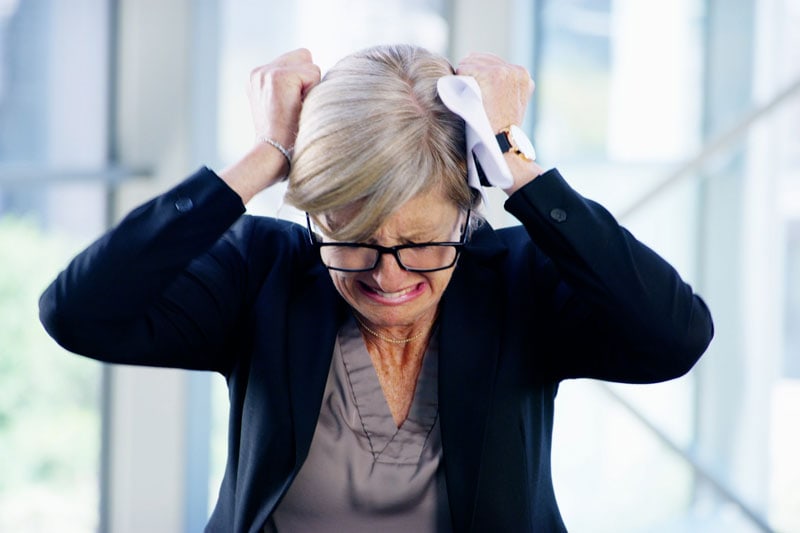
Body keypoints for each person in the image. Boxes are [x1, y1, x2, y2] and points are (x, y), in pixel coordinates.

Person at [39, 44, 714, 532]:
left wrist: (511, 155)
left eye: (423, 243)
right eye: (353, 236)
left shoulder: (518, 280)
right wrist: (266, 155)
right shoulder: (264, 274)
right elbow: (78, 310)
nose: (388, 274)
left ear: (468, 211)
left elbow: (674, 335)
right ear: (313, 214)